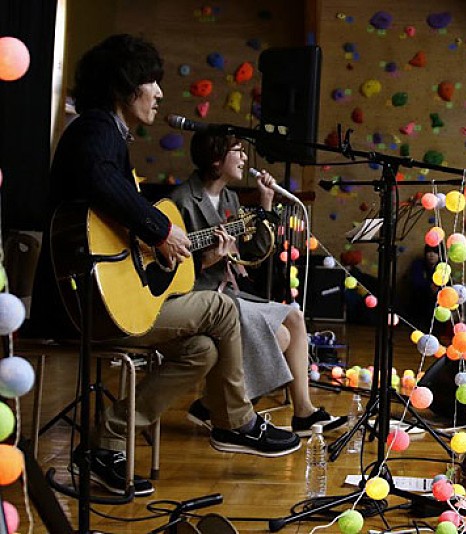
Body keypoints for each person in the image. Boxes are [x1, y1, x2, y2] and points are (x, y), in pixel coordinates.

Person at [44, 35, 298, 496]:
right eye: (151, 81)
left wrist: (155, 242)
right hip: (83, 305)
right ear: (124, 86)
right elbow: (101, 181)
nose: (160, 93)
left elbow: (108, 219)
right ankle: (235, 422)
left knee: (201, 350)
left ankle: (107, 441)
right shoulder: (96, 128)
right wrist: (159, 230)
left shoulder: (105, 134)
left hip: (100, 299)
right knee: (221, 310)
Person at [171, 131, 345, 437]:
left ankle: (303, 412)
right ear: (216, 159)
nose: (244, 158)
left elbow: (254, 253)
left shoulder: (230, 198)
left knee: (294, 316)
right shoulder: (181, 200)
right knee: (279, 336)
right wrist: (209, 259)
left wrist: (266, 204)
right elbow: (170, 268)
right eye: (237, 151)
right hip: (200, 296)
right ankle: (213, 406)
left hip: (229, 291)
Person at [407, 244, 442, 327]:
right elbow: (415, 281)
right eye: (429, 252)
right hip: (420, 299)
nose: (432, 255)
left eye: (435, 252)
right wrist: (429, 286)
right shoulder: (418, 264)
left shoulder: (443, 267)